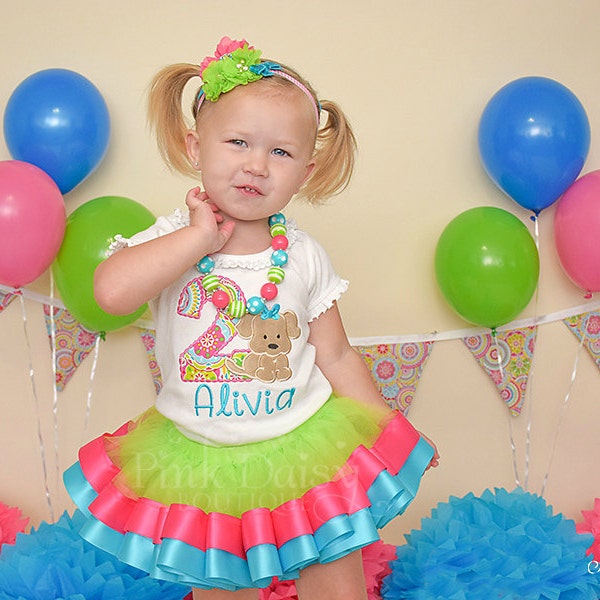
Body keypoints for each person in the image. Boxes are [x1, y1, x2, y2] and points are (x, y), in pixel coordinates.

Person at [64, 36, 439, 600]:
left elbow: (335, 356)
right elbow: (110, 293)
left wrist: (390, 436)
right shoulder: (173, 237)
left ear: (305, 171)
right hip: (201, 462)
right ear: (196, 146)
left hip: (305, 448)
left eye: (281, 153)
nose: (256, 165)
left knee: (336, 576)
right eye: (237, 142)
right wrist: (195, 239)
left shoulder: (304, 255)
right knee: (215, 581)